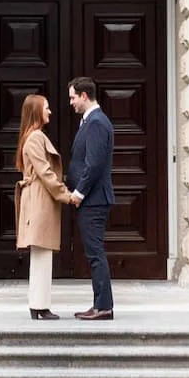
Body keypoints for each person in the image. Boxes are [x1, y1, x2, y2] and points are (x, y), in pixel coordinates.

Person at [13, 91, 74, 320]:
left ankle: (38, 305)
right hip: (40, 199)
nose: (50, 111)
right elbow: (45, 172)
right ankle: (39, 305)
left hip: (38, 197)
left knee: (42, 253)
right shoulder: (35, 137)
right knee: (41, 253)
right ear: (37, 111)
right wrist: (66, 195)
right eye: (46, 107)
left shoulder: (31, 137)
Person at [65, 74, 115, 320]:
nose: (71, 102)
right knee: (94, 253)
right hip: (92, 199)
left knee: (95, 254)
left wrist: (78, 192)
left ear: (84, 96)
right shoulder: (90, 121)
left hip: (93, 200)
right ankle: (99, 304)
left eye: (73, 97)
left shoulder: (96, 122)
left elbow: (94, 164)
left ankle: (103, 307)